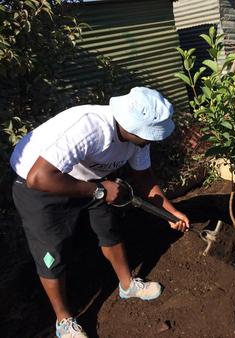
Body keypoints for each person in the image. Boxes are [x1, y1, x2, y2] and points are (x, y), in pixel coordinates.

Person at [10, 87, 190, 338]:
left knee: (110, 229)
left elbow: (144, 178)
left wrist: (172, 212)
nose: (152, 140)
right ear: (130, 125)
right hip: (41, 185)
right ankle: (64, 320)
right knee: (52, 252)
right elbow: (38, 178)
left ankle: (127, 285)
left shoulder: (138, 138)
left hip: (92, 180)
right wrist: (100, 191)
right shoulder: (89, 129)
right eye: (148, 135)